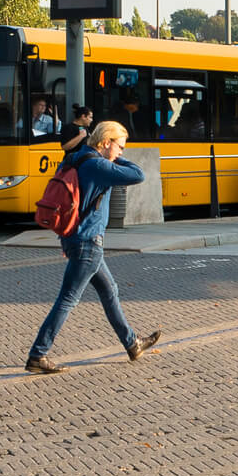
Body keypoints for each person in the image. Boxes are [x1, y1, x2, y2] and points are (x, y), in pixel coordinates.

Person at [26, 119, 161, 374]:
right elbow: (138, 174)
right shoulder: (98, 164)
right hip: (88, 242)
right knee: (67, 299)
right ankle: (38, 354)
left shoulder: (76, 157)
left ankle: (132, 344)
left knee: (110, 291)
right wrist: (114, 160)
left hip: (76, 237)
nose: (122, 152)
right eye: (119, 146)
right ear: (106, 142)